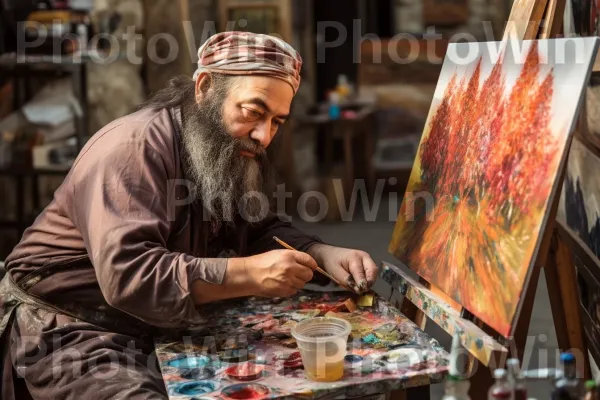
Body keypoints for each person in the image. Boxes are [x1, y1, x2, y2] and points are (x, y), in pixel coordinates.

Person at [0, 32, 378, 399]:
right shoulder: (132, 150)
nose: (263, 135)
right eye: (253, 112)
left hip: (152, 322)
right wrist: (249, 274)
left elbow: (256, 227)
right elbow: (129, 275)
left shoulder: (222, 147)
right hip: (67, 326)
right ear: (205, 88)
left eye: (277, 121)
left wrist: (321, 252)